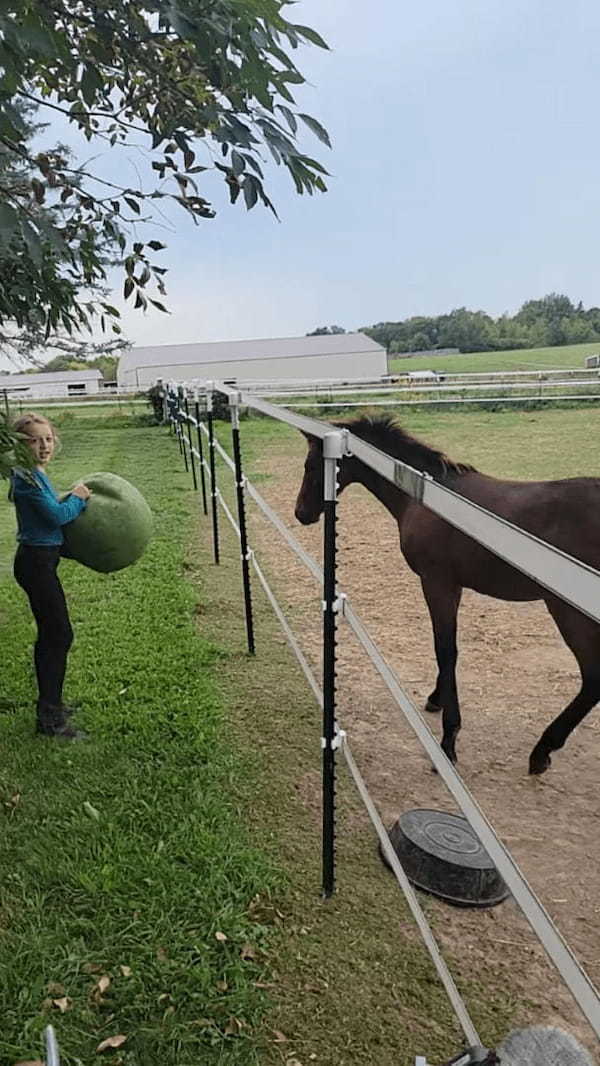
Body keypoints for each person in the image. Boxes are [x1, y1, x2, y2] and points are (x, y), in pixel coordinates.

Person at [9, 412, 91, 740]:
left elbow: (48, 510)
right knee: (59, 635)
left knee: (54, 634)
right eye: (33, 440)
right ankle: (50, 719)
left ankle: (51, 706)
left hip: (41, 561)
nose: (43, 446)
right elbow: (56, 516)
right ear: (19, 445)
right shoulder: (25, 478)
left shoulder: (34, 474)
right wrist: (78, 499)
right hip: (35, 565)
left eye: (48, 439)